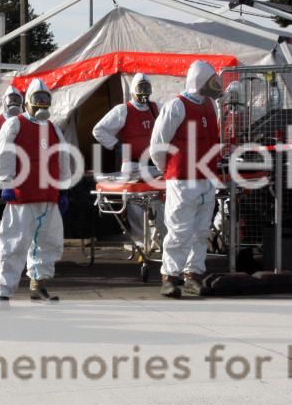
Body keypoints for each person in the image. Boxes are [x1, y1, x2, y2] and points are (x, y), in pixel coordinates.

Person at [0, 79, 72, 309]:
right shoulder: (15, 124)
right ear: (28, 102)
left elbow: (62, 156)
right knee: (13, 243)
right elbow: (2, 152)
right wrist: (6, 180)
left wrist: (63, 186)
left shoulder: (53, 127)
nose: (42, 104)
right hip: (23, 194)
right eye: (38, 100)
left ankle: (38, 283)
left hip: (48, 195)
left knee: (48, 242)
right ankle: (4, 292)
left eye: (46, 100)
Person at [149, 60, 223, 298]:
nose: (215, 85)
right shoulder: (176, 107)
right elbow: (158, 144)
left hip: (206, 178)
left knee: (201, 230)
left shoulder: (211, 105)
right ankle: (170, 276)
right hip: (182, 179)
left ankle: (194, 273)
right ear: (201, 81)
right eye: (211, 80)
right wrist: (167, 169)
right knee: (179, 229)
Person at [91, 73, 166, 252]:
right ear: (133, 90)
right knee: (136, 207)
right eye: (140, 88)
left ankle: (160, 242)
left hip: (154, 165)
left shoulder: (157, 108)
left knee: (159, 204)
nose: (143, 93)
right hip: (132, 165)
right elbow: (99, 130)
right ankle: (141, 244)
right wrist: (116, 145)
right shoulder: (123, 110)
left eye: (146, 88)